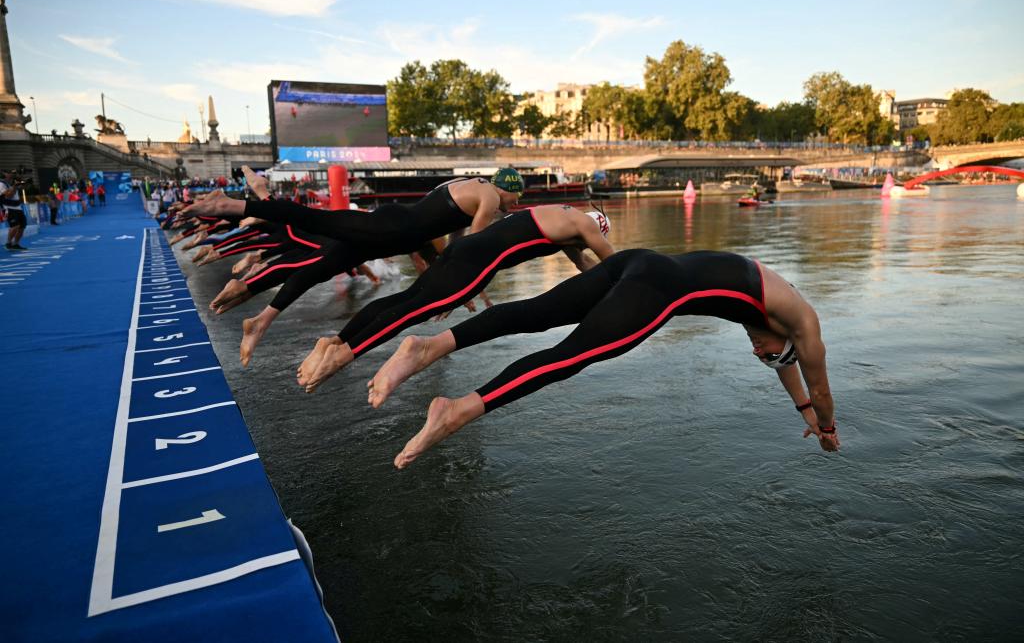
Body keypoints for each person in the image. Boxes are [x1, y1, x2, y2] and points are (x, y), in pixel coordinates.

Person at [363, 249, 838, 469]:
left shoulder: (772, 310)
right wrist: (827, 428)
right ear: (790, 340)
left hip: (636, 262)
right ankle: (457, 410)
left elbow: (787, 369)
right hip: (656, 291)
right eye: (768, 354)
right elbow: (817, 384)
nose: (759, 353)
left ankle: (427, 346)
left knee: (535, 313)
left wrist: (802, 414)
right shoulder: (806, 326)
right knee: (567, 357)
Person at [183, 166, 528, 366]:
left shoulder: (466, 186)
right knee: (313, 221)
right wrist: (469, 285)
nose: (511, 207)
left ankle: (261, 320)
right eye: (516, 199)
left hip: (394, 231)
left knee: (322, 265)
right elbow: (472, 247)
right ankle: (234, 205)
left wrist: (457, 287)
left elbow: (446, 245)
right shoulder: (491, 195)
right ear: (508, 189)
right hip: (391, 230)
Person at [297, 204, 615, 392]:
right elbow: (615, 266)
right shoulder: (588, 226)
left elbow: (584, 266)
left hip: (462, 248)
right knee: (412, 312)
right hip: (479, 261)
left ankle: (333, 343)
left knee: (406, 299)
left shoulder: (562, 217)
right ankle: (345, 356)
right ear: (598, 229)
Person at [2, 173, 28, 250]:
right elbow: (8, 196)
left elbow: (20, 190)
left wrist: (21, 185)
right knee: (14, 226)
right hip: (9, 208)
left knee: (22, 226)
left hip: (18, 208)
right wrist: (14, 187)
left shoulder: (11, 186)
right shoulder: (2, 185)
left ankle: (15, 244)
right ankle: (8, 243)